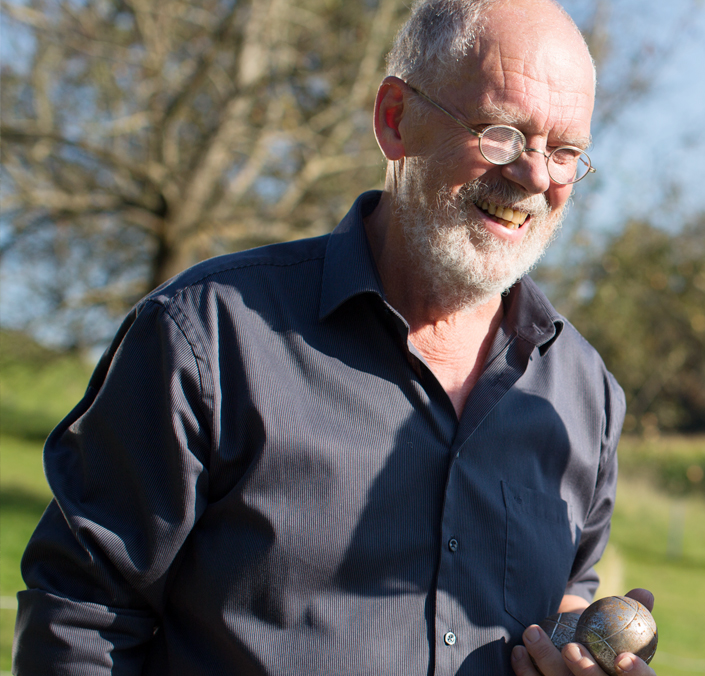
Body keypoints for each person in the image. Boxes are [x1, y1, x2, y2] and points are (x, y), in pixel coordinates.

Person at [13, 1, 656, 675]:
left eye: (564, 152)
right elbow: (81, 622)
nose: (533, 176)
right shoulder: (207, 339)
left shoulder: (588, 396)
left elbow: (564, 599)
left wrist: (575, 650)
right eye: (500, 133)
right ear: (394, 119)